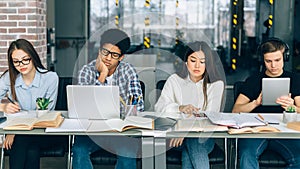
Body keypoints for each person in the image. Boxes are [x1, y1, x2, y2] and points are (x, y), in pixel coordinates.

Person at [72, 28, 144, 169]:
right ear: (99, 50)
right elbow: (84, 107)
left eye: (114, 54)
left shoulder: (128, 71)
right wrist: (102, 75)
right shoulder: (86, 71)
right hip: (92, 132)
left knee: (128, 152)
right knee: (79, 150)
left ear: (121, 57)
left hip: (120, 133)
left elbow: (139, 107)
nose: (108, 58)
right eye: (105, 52)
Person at [155, 41, 225, 169]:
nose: (197, 65)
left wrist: (186, 130)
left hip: (203, 138)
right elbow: (159, 108)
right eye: (193, 60)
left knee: (193, 143)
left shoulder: (216, 84)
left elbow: (210, 116)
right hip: (175, 137)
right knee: (192, 146)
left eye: (202, 62)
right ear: (186, 62)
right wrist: (179, 108)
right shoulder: (174, 80)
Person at [232, 38, 300, 169]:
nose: (273, 66)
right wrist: (255, 103)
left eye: (277, 60)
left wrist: (293, 108)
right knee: (246, 154)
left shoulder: (295, 79)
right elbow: (236, 110)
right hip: (256, 131)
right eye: (268, 61)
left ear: (285, 57)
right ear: (263, 60)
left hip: (284, 131)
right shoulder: (253, 80)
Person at [0, 39, 59, 169]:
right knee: (31, 150)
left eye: (25, 59)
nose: (21, 64)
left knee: (21, 141)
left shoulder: (50, 78)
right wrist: (3, 106)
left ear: (32, 56)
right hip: (23, 134)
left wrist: (14, 131)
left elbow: (45, 113)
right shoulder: (9, 78)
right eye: (16, 61)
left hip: (44, 131)